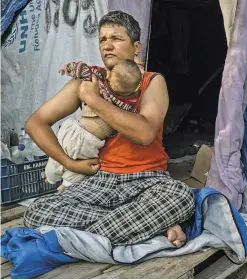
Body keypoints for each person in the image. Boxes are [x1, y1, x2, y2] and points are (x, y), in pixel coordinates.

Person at [23, 11, 195, 247]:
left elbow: (145, 134)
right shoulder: (89, 81)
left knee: (181, 197)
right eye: (103, 39)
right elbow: (35, 123)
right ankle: (150, 226)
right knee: (37, 212)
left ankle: (90, 237)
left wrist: (94, 101)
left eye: (116, 38)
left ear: (136, 47)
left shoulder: (152, 81)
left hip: (148, 180)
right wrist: (69, 163)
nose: (108, 45)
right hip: (101, 180)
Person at [45, 59, 142, 191]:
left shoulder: (100, 80)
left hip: (71, 129)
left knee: (56, 160)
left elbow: (83, 69)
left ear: (109, 74)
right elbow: (132, 121)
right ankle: (65, 186)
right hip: (88, 142)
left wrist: (68, 68)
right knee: (78, 171)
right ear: (136, 88)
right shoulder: (128, 102)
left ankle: (50, 177)